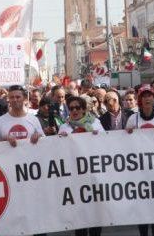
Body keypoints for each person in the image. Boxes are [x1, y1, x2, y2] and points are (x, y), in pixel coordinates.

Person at [126, 85, 154, 236]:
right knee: (142, 206)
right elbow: (125, 144)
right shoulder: (132, 118)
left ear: (153, 98)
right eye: (144, 96)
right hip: (139, 171)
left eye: (149, 95)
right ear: (140, 100)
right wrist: (128, 133)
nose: (147, 98)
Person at [58, 96, 103, 236]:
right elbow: (58, 151)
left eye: (78, 107)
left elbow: (106, 144)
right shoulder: (64, 127)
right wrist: (61, 140)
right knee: (80, 213)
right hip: (75, 176)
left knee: (95, 212)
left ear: (84, 109)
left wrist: (97, 136)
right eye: (71, 108)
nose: (75, 110)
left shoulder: (95, 123)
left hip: (93, 173)